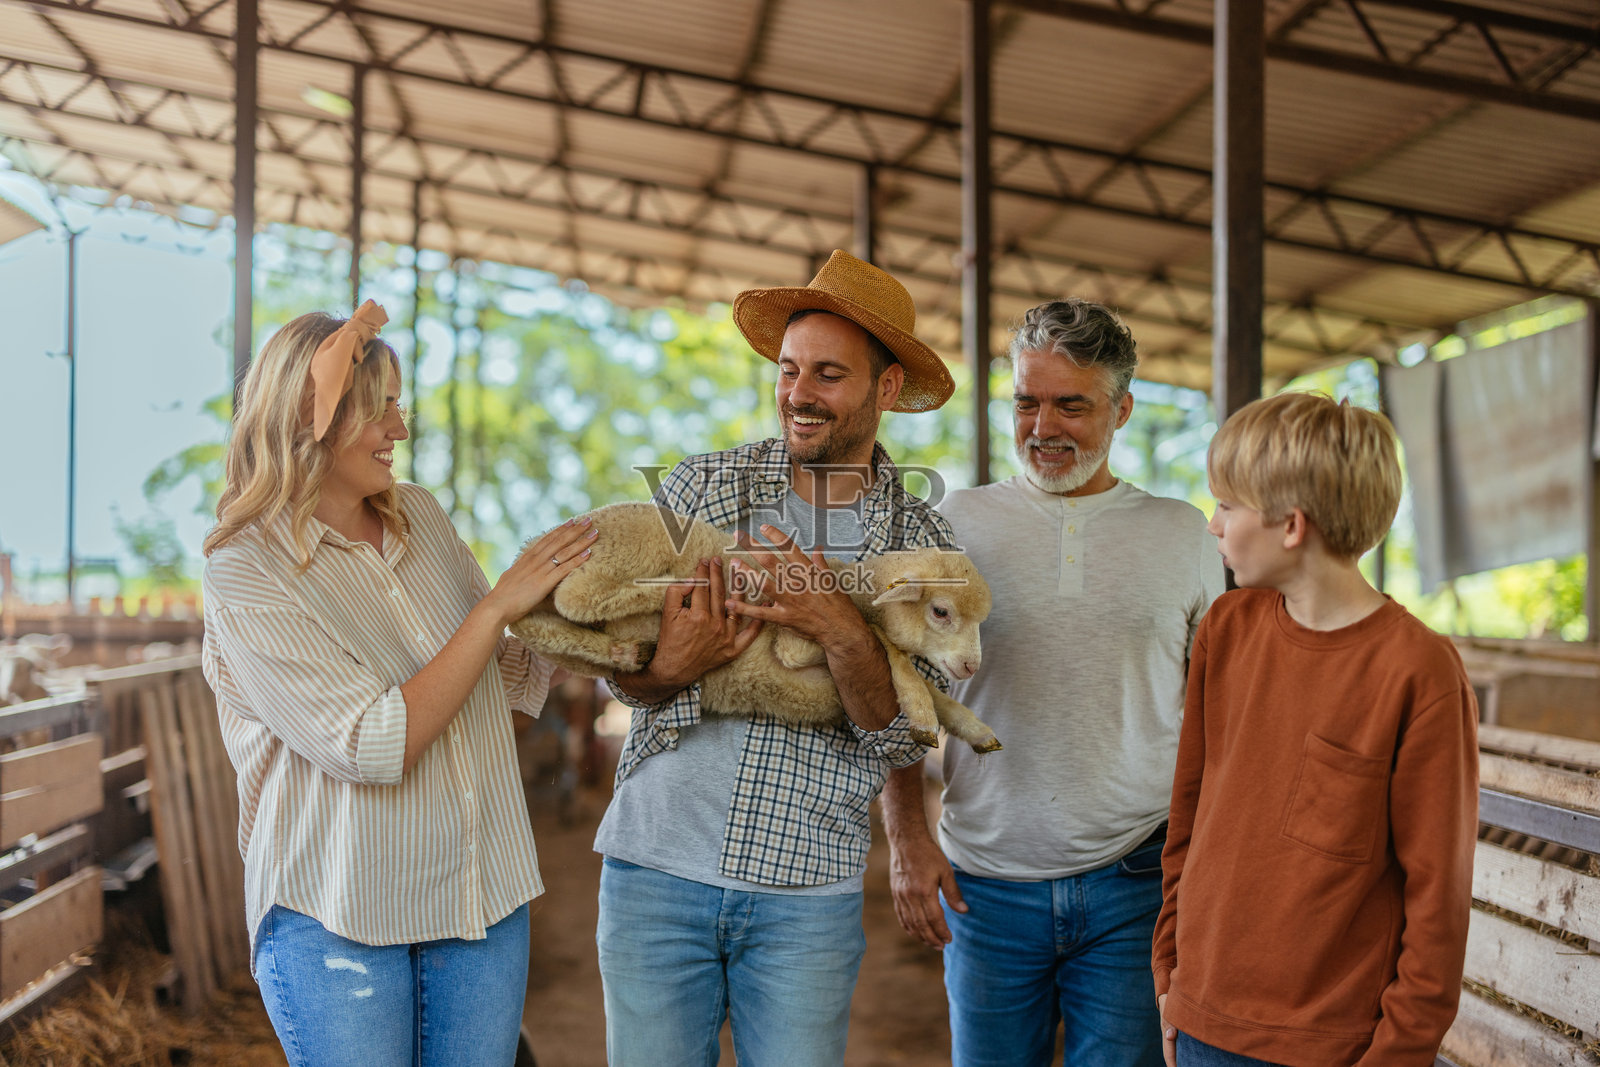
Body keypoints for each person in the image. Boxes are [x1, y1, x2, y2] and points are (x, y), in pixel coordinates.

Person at [201, 302, 598, 1066]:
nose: (400, 430)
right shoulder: (245, 569)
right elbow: (372, 742)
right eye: (379, 409)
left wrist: (601, 612)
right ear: (310, 418)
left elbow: (507, 679)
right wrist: (498, 605)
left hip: (477, 893)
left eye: (399, 407)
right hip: (338, 912)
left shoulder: (420, 516)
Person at [593, 250, 958, 1066]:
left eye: (829, 374)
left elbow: (904, 738)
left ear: (887, 390)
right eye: (790, 370)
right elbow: (616, 662)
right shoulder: (702, 489)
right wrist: (668, 668)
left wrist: (840, 627)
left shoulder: (922, 546)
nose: (799, 393)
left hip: (805, 897)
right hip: (655, 871)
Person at [882, 299, 1224, 1067]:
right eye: (1027, 401)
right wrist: (905, 837)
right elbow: (895, 684)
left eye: (1072, 404)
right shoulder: (950, 523)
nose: (1044, 426)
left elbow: (1220, 715)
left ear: (1123, 408)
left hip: (1136, 881)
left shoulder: (1184, 535)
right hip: (984, 882)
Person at [1152, 392, 1478, 1066]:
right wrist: (1171, 978)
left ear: (1291, 525)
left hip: (1332, 1047)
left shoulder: (1418, 670)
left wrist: (1397, 1053)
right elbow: (1189, 815)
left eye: (1228, 506)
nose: (1214, 526)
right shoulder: (1225, 630)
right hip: (1201, 1021)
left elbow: (1436, 894)